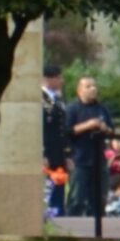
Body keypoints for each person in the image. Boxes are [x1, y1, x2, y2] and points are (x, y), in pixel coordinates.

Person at [66, 75, 119, 220]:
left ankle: (97, 230)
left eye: (94, 86)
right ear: (79, 90)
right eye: (88, 86)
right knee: (77, 197)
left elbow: (111, 130)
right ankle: (71, 227)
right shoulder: (72, 109)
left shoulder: (102, 109)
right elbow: (67, 131)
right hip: (79, 159)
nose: (93, 89)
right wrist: (88, 125)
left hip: (99, 159)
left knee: (99, 198)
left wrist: (104, 128)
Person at [40, 63, 70, 215]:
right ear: (47, 79)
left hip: (58, 152)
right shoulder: (41, 100)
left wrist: (67, 154)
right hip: (48, 152)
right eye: (58, 78)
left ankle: (58, 213)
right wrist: (42, 154)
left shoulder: (57, 100)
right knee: (48, 188)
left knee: (59, 185)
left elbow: (62, 129)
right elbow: (42, 129)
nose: (61, 81)